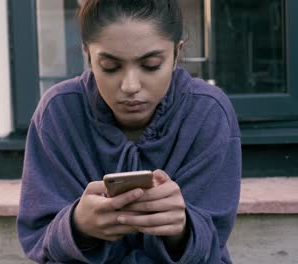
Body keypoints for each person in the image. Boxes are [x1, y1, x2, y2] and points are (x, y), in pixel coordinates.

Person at [17, 0, 241, 263]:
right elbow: (38, 238)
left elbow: (213, 239)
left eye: (151, 65)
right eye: (110, 67)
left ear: (177, 54)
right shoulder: (58, 112)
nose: (130, 86)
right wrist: (76, 227)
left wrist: (181, 229)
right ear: (87, 54)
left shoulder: (208, 112)